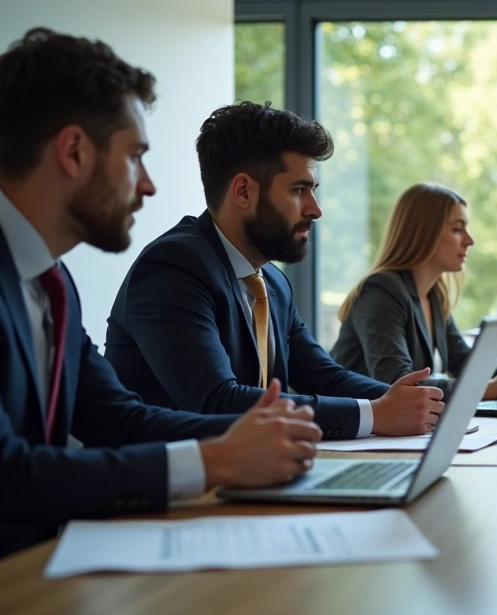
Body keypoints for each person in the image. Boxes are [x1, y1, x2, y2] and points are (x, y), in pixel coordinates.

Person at [0, 29, 321, 557]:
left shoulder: (51, 284)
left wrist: (265, 434)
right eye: (134, 156)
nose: (148, 184)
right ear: (74, 151)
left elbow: (122, 419)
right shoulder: (150, 267)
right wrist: (215, 459)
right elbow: (10, 472)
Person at [105, 102, 444, 440]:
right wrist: (376, 415)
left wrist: (418, 401)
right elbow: (216, 400)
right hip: (168, 485)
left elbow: (325, 377)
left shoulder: (272, 283)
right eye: (299, 190)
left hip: (251, 474)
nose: (315, 209)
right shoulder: (173, 267)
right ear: (243, 191)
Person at [330, 182, 497, 398]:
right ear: (424, 233)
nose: (470, 240)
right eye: (457, 229)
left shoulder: (434, 294)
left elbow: (462, 361)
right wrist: (485, 389)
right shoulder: (380, 292)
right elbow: (399, 384)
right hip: (347, 428)